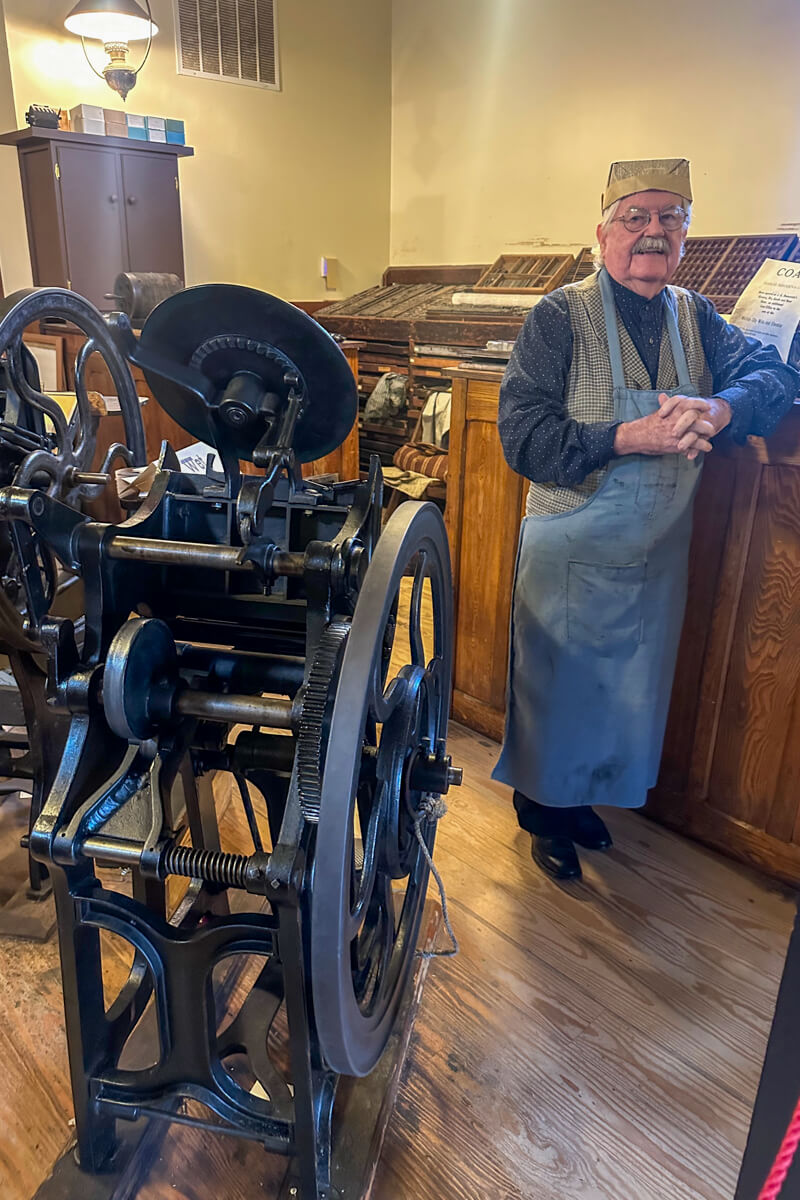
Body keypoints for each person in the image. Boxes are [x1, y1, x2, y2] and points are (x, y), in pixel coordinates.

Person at [492, 158, 799, 881]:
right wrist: (631, 436)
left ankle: (582, 801)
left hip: (657, 552)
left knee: (623, 695)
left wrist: (722, 408)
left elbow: (780, 374)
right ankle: (545, 815)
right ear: (604, 233)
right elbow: (523, 438)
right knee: (557, 691)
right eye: (636, 218)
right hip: (573, 547)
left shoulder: (697, 316)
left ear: (685, 237)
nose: (653, 232)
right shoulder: (558, 316)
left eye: (670, 218)